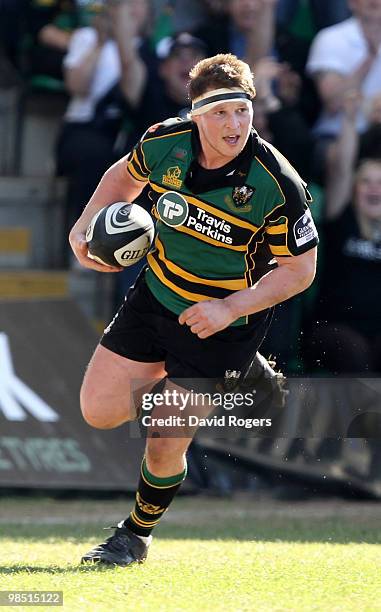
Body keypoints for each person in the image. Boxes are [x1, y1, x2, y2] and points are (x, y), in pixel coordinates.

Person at [69, 53, 318, 566]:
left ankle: (134, 535)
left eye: (242, 111)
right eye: (220, 113)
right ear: (196, 115)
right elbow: (122, 178)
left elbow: (300, 271)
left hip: (224, 323)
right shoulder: (165, 141)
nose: (234, 124)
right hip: (157, 295)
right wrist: (85, 226)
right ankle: (240, 375)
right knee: (100, 410)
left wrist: (229, 309)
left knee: (163, 437)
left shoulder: (276, 182)